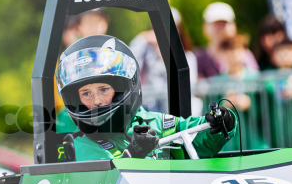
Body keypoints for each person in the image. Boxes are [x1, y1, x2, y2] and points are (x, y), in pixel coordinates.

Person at [56, 35, 236, 161]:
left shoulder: (157, 124)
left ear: (121, 88)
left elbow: (198, 137)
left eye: (103, 90)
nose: (96, 101)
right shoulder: (81, 146)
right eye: (86, 94)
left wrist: (222, 123)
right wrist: (134, 153)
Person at [128, 7, 202, 114]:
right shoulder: (146, 53)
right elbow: (130, 63)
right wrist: (142, 38)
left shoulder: (188, 57)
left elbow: (186, 87)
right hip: (150, 110)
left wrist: (163, 59)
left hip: (175, 112)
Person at [194, 2, 259, 79]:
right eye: (216, 24)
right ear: (205, 27)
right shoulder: (198, 57)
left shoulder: (244, 53)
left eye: (224, 24)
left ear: (234, 26)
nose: (220, 28)